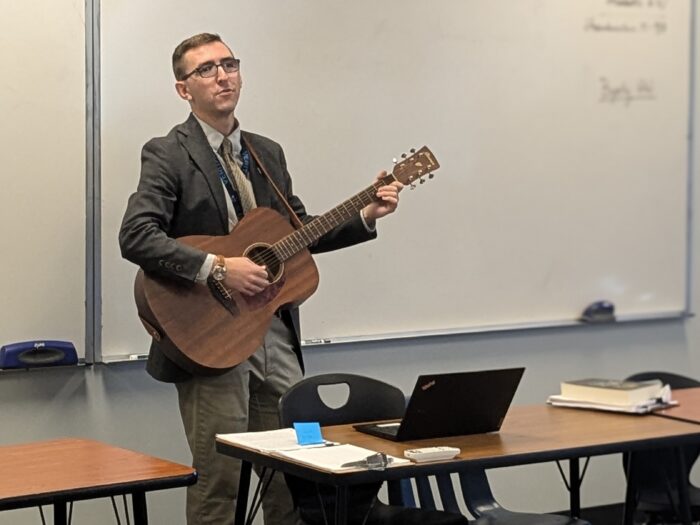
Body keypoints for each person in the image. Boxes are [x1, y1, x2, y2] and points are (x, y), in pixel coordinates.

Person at [119, 32, 402, 525]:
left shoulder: (266, 152)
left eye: (229, 63)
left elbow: (297, 233)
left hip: (273, 333)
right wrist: (220, 267)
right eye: (205, 69)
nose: (222, 75)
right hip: (210, 339)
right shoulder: (167, 152)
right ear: (183, 89)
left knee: (293, 479)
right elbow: (137, 237)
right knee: (220, 483)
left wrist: (367, 214)